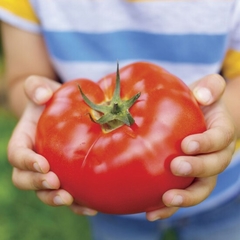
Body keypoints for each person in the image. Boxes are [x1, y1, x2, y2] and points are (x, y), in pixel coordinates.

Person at [0, 0, 240, 239]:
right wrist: (40, 109)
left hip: (226, 189)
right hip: (105, 204)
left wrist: (218, 128)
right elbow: (22, 78)